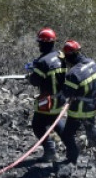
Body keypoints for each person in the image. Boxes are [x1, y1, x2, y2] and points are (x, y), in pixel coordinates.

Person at [57, 40, 96, 174]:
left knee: (67, 134)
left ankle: (72, 158)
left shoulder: (74, 73)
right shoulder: (92, 63)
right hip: (92, 105)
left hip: (79, 109)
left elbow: (65, 95)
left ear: (69, 56)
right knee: (92, 131)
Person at [25, 27, 67, 162]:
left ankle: (50, 151)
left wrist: (30, 75)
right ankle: (72, 147)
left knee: (37, 125)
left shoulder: (43, 62)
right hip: (60, 99)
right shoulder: (60, 56)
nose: (38, 45)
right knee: (54, 120)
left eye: (40, 43)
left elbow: (35, 81)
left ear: (44, 43)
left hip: (48, 101)